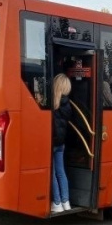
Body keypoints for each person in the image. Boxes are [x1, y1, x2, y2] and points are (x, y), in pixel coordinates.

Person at [51, 74, 73, 213]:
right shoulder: (68, 105)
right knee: (61, 171)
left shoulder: (53, 103)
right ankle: (66, 202)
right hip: (61, 143)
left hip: (52, 142)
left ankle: (57, 203)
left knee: (52, 173)